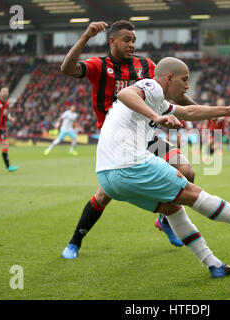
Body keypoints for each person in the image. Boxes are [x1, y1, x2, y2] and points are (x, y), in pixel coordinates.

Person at [95, 57, 230, 278]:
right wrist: (156, 118)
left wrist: (228, 111)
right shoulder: (151, 86)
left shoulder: (161, 103)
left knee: (172, 208)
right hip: (130, 164)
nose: (187, 86)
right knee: (192, 192)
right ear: (169, 78)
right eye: (184, 79)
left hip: (107, 177)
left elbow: (189, 112)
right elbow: (124, 94)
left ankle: (214, 265)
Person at [60, 20, 198, 259]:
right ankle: (75, 241)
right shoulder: (99, 66)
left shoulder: (146, 66)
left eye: (134, 40)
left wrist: (203, 112)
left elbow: (175, 93)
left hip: (147, 136)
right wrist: (85, 37)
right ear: (111, 41)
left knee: (187, 172)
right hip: (116, 143)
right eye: (127, 40)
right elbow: (67, 69)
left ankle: (164, 220)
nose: (132, 44)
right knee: (104, 195)